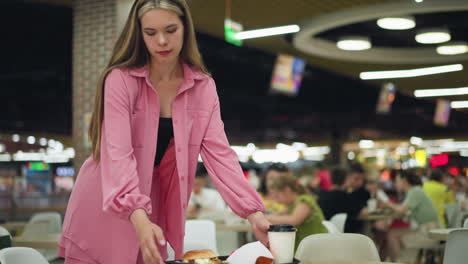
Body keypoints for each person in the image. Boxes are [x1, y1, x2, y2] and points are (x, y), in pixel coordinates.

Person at [57, 1, 270, 264]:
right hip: (106, 199)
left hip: (154, 201)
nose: (161, 41)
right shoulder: (120, 80)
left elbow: (220, 155)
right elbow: (118, 154)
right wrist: (137, 214)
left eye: (170, 30)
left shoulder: (203, 87)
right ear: (139, 33)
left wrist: (253, 211)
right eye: (150, 32)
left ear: (185, 29)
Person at [380, 170, 439, 262]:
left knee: (391, 235)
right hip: (427, 229)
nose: (395, 184)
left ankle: (397, 262)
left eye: (397, 181)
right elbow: (403, 213)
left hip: (429, 233)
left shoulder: (415, 191)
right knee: (390, 235)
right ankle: (393, 261)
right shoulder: (414, 191)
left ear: (404, 181)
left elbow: (402, 210)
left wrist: (387, 204)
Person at [266, 175, 327, 250]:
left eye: (277, 196)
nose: (277, 201)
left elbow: (293, 220)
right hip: (307, 246)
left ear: (287, 190)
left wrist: (267, 217)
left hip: (317, 247)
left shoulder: (304, 201)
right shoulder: (292, 205)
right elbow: (276, 215)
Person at [318, 167, 368, 233]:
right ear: (345, 180)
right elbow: (364, 212)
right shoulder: (345, 197)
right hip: (344, 236)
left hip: (324, 234)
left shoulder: (322, 196)